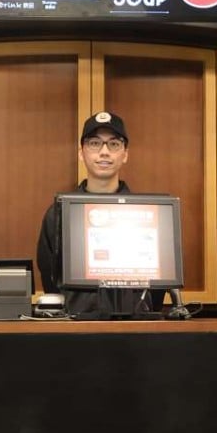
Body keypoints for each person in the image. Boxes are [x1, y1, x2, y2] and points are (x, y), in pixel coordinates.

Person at [36, 111, 163, 318]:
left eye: (114, 144)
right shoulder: (59, 214)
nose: (104, 152)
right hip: (76, 327)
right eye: (95, 143)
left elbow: (158, 287)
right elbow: (51, 280)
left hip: (137, 327)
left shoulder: (148, 212)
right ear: (81, 152)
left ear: (125, 154)